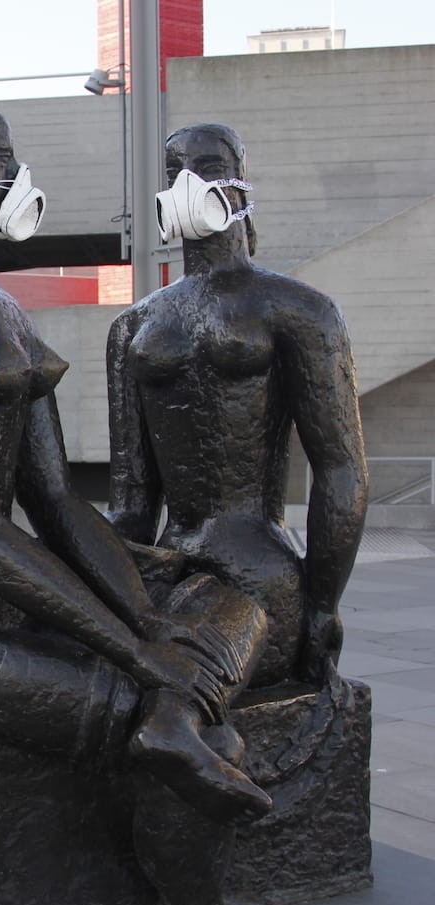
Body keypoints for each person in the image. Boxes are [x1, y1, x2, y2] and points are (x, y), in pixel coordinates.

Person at [0, 106, 284, 905]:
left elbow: (58, 503)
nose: (16, 173)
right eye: (0, 157)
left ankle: (174, 723)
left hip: (13, 605)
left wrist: (144, 611)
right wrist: (134, 648)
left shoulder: (5, 311)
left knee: (232, 600)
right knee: (197, 729)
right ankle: (196, 904)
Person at [107, 123, 368, 689]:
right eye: (175, 171)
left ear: (237, 185)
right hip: (170, 571)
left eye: (204, 166)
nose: (188, 183)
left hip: (259, 574)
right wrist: (114, 593)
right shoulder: (133, 326)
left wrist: (324, 604)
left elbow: (342, 469)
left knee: (178, 701)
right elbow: (130, 500)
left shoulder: (299, 309)